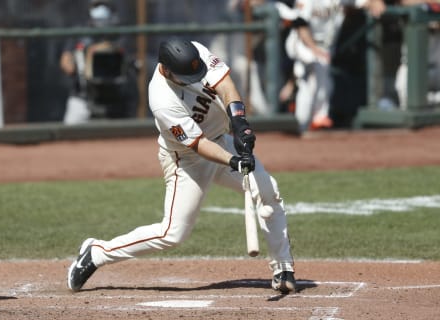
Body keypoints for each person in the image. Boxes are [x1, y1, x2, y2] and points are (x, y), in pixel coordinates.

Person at [67, 38, 297, 294]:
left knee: (268, 191)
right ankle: (98, 252)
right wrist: (233, 160)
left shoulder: (195, 52)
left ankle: (283, 268)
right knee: (172, 234)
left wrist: (240, 124)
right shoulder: (161, 99)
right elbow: (197, 144)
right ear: (165, 70)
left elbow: (227, 86)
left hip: (222, 139)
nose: (195, 79)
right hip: (188, 161)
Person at [281, 0, 386, 132]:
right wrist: (314, 48)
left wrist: (374, 2)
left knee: (325, 83)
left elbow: (362, 2)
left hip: (325, 47)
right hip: (303, 43)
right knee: (309, 83)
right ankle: (301, 123)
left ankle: (314, 117)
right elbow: (300, 24)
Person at [60, 0, 138, 124]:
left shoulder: (121, 34)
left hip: (115, 98)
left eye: (104, 6)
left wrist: (109, 50)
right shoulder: (80, 31)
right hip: (83, 97)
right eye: (96, 6)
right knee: (69, 134)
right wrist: (81, 63)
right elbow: (66, 61)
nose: (100, 10)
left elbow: (134, 63)